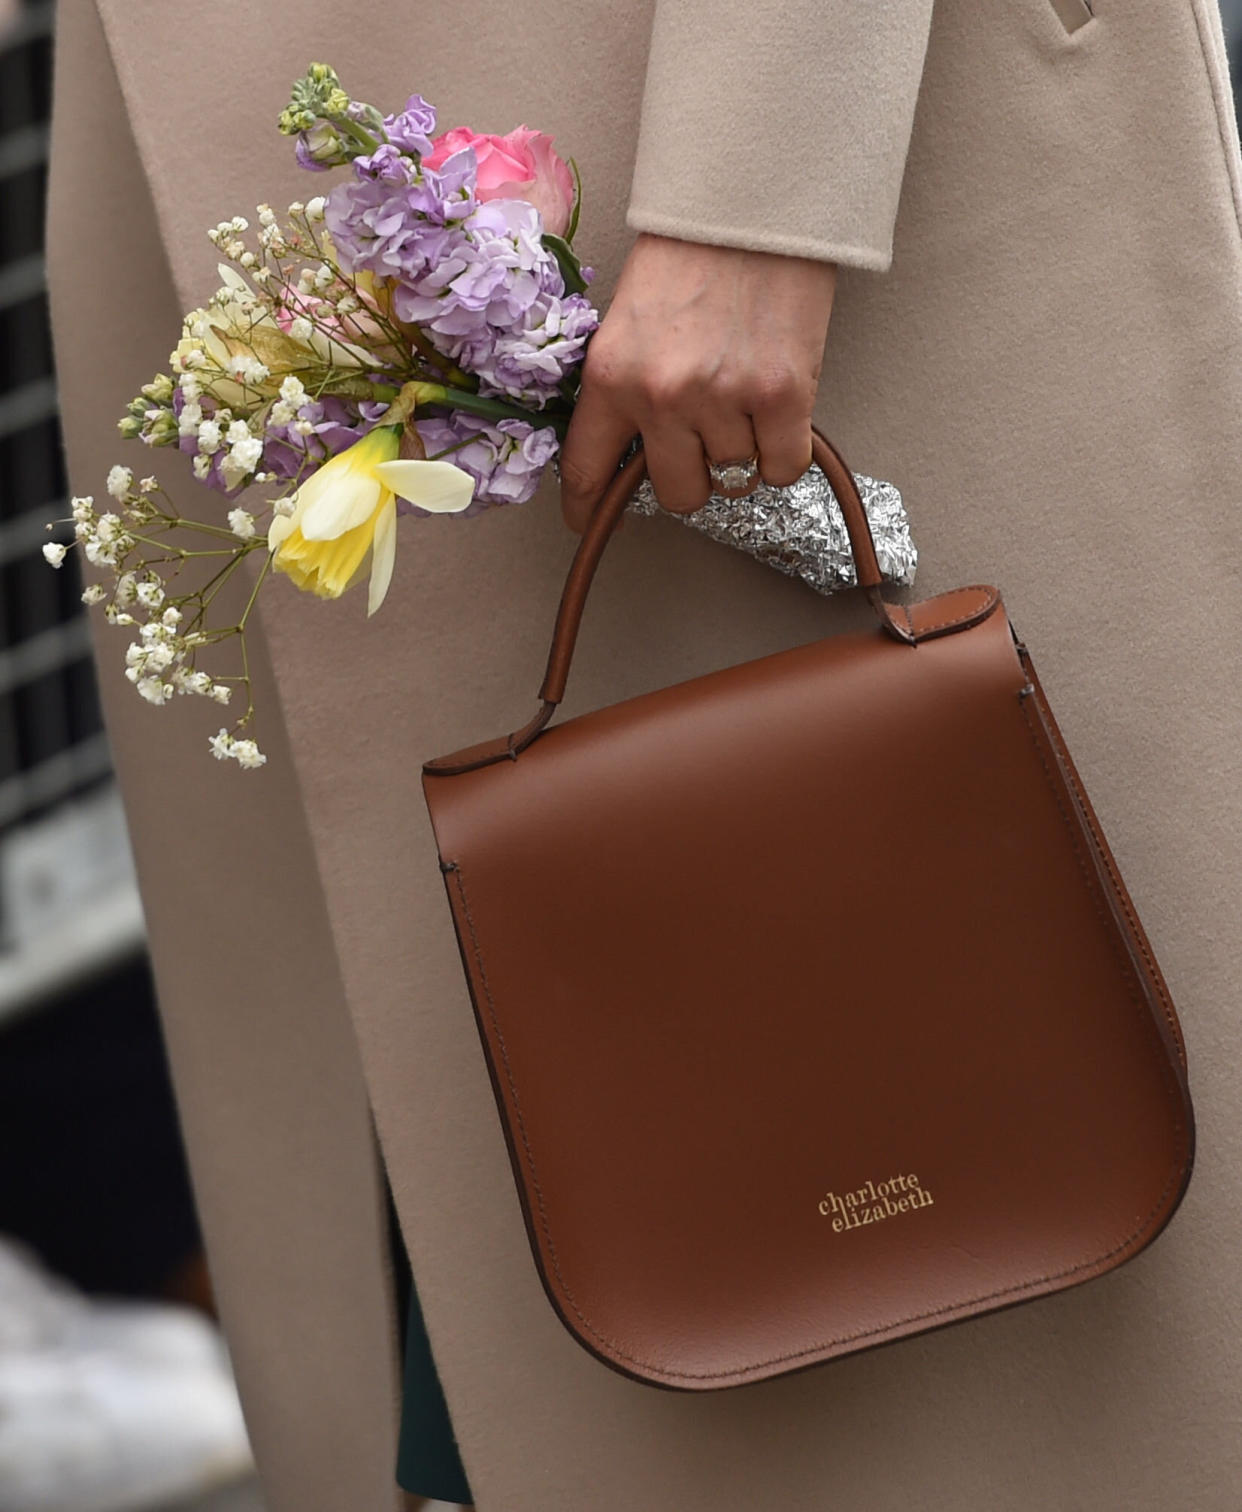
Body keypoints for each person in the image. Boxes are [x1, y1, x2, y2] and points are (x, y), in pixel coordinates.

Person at [46, 2, 1242, 1509]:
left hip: (719, 160)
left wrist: (756, 190)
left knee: (1005, 1319)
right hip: (241, 169)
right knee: (480, 1239)